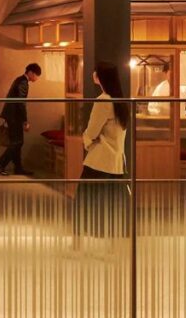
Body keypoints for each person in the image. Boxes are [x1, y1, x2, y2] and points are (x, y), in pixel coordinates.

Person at [76, 61, 129, 241]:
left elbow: (92, 131)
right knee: (112, 206)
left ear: (99, 77)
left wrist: (86, 141)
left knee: (83, 202)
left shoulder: (103, 100)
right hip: (116, 162)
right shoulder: (120, 100)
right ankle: (113, 245)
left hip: (99, 160)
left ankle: (78, 244)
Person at [0, 63, 42, 176]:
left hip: (11, 115)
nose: (37, 78)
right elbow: (21, 103)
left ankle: (18, 168)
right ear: (30, 72)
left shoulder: (19, 80)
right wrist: (25, 121)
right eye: (36, 75)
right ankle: (0, 163)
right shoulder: (23, 83)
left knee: (16, 142)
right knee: (17, 142)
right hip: (14, 116)